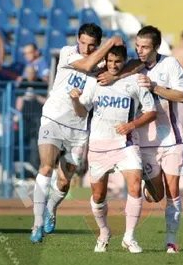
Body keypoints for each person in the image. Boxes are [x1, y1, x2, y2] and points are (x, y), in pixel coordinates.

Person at [30, 23, 125, 243]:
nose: (86, 48)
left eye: (92, 45)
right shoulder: (68, 53)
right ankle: (36, 225)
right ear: (77, 40)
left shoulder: (104, 66)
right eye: (83, 42)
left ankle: (51, 209)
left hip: (79, 128)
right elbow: (88, 63)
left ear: (97, 44)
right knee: (45, 167)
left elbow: (129, 65)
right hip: (52, 119)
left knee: (64, 182)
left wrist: (115, 76)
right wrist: (112, 41)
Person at [71, 45, 156, 253]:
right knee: (98, 196)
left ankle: (129, 237)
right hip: (99, 146)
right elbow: (82, 112)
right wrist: (74, 99)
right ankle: (103, 232)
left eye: (117, 61)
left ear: (124, 60)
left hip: (125, 143)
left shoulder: (135, 81)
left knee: (135, 185)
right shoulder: (96, 82)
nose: (113, 65)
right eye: (109, 61)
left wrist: (132, 125)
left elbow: (151, 112)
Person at [133, 25, 183, 254]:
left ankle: (171, 241)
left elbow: (181, 96)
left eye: (145, 47)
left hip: (171, 139)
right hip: (145, 141)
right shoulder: (132, 67)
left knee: (173, 189)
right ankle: (150, 188)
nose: (140, 51)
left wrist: (154, 86)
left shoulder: (170, 64)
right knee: (157, 197)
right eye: (137, 46)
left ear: (156, 47)